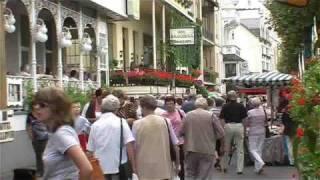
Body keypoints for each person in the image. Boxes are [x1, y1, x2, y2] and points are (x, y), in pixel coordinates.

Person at [33, 87, 92, 180]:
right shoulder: (55, 132)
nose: (36, 107)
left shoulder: (62, 133)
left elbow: (86, 168)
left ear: (56, 108)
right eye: (35, 104)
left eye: (42, 105)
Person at [87, 95, 137, 179]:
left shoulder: (95, 125)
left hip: (100, 169)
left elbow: (90, 150)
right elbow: (129, 146)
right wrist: (134, 167)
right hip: (118, 167)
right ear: (116, 109)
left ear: (102, 108)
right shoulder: (122, 122)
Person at [132, 95, 180, 180]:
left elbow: (134, 147)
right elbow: (175, 144)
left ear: (143, 107)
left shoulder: (137, 124)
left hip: (144, 168)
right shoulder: (166, 121)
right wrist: (177, 164)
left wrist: (134, 167)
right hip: (164, 167)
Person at [181, 97, 224, 180]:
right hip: (207, 149)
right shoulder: (211, 115)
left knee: (190, 173)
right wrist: (222, 145)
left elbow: (181, 131)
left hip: (191, 148)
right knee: (205, 175)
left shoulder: (188, 115)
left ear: (195, 105)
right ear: (206, 106)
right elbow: (221, 133)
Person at [219, 90, 248, 174]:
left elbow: (221, 119)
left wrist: (224, 127)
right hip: (239, 126)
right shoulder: (241, 106)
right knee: (240, 148)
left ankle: (224, 166)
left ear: (228, 97)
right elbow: (245, 119)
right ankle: (239, 169)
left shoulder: (225, 106)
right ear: (236, 97)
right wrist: (244, 129)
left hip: (228, 126)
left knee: (226, 147)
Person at [162, 95, 186, 180]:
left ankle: (181, 177)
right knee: (169, 162)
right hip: (169, 143)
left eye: (171, 103)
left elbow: (185, 124)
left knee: (180, 163)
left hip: (180, 142)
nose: (169, 105)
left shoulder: (180, 112)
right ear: (165, 105)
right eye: (167, 104)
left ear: (175, 104)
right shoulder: (163, 115)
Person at [26, 103, 49, 177]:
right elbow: (28, 125)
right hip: (35, 139)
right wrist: (30, 136)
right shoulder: (30, 115)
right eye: (35, 105)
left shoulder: (43, 113)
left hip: (45, 138)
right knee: (38, 155)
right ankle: (39, 171)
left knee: (44, 155)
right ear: (32, 106)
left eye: (38, 105)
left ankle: (46, 171)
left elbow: (48, 124)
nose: (36, 106)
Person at [245, 97, 266, 174]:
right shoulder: (263, 111)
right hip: (262, 131)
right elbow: (265, 121)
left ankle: (260, 162)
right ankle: (258, 168)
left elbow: (247, 123)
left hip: (253, 132)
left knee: (252, 149)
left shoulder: (250, 112)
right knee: (259, 149)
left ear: (252, 104)